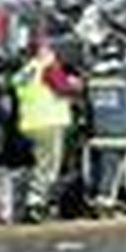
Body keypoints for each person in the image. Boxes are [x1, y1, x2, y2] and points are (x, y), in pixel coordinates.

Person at [11, 36, 82, 221]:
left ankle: (36, 201)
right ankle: (36, 204)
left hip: (29, 123)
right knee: (48, 166)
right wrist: (75, 85)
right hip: (49, 121)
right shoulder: (48, 67)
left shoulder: (25, 71)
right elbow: (63, 88)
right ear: (42, 51)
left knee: (40, 163)